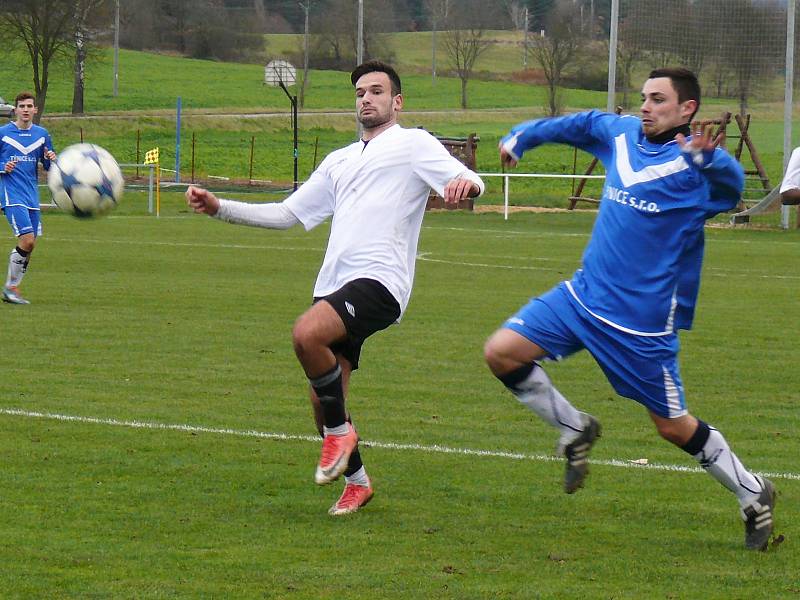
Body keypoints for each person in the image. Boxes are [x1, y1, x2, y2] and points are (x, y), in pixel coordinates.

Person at [485, 67, 776, 551]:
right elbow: (576, 124)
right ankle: (575, 428)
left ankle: (752, 492)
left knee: (671, 426)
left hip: (640, 326)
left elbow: (729, 190)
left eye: (658, 99)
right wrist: (522, 137)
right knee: (501, 352)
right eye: (643, 97)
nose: (645, 106)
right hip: (581, 298)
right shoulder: (620, 135)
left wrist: (709, 161)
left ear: (687, 110)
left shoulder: (697, 169)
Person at [186, 60, 483, 516]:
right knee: (321, 401)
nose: (366, 98)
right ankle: (358, 482)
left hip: (380, 281)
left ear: (396, 102)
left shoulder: (412, 144)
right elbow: (288, 214)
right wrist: (218, 207)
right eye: (360, 92)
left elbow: (468, 178)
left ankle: (340, 435)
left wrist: (467, 185)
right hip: (334, 285)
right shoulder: (338, 161)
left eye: (377, 91)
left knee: (307, 334)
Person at [0, 91, 56, 305]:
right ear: (15, 110)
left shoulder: (42, 134)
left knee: (30, 245)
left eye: (29, 106)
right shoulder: (3, 133)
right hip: (11, 193)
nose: (25, 110)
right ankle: (10, 288)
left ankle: (13, 288)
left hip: (31, 194)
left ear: (35, 110)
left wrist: (51, 158)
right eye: (21, 106)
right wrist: (2, 167)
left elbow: (49, 166)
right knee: (27, 239)